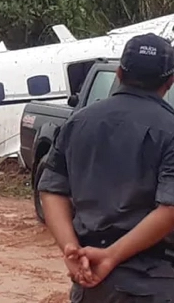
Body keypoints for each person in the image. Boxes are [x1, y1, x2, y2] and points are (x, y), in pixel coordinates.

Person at [38, 33, 174, 301]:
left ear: (119, 73)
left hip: (92, 284)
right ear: (169, 81)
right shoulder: (170, 129)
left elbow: (51, 189)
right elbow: (170, 209)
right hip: (155, 284)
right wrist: (111, 256)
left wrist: (71, 249)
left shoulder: (78, 122)